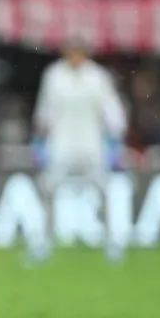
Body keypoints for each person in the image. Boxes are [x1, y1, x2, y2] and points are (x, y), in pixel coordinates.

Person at [31, 38, 128, 263]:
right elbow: (44, 111)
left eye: (79, 51)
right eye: (71, 51)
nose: (75, 56)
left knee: (103, 191)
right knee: (48, 190)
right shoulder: (53, 76)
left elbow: (112, 109)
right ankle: (43, 244)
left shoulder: (97, 77)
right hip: (61, 144)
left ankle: (112, 243)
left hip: (91, 145)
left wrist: (116, 136)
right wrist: (39, 139)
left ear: (85, 53)